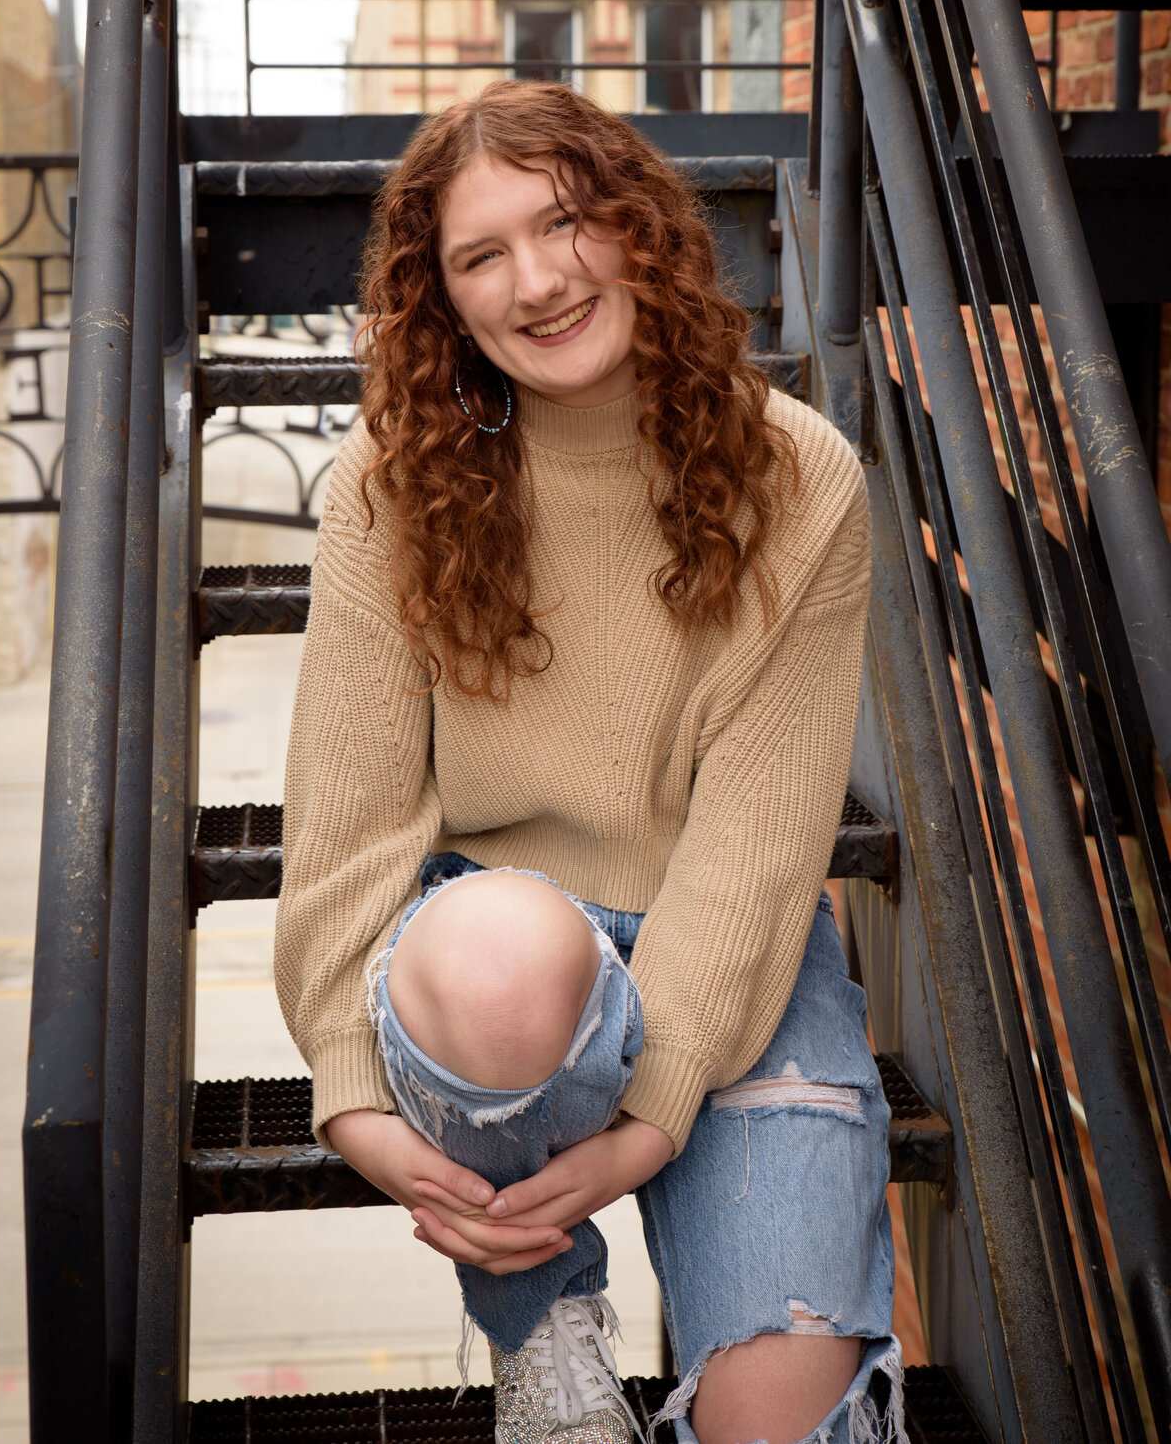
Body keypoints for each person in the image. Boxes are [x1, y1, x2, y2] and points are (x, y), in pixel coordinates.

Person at [274, 81, 901, 1444]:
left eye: (564, 222)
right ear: (441, 302)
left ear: (638, 228)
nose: (539, 280)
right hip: (489, 964)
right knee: (507, 941)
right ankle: (545, 1332)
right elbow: (348, 833)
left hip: (738, 950)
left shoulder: (803, 480)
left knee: (785, 1415)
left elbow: (752, 848)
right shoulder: (392, 487)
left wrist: (655, 1110)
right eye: (479, 256)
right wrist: (353, 1102)